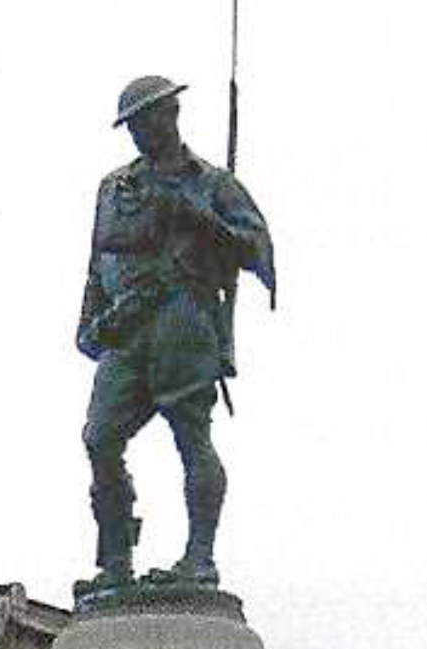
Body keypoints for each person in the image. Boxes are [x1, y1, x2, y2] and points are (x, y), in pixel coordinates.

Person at [76, 76, 275, 592]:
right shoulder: (114, 186)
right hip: (124, 326)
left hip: (181, 319)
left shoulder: (211, 183)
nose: (139, 131)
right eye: (132, 124)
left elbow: (257, 250)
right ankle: (115, 561)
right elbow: (99, 258)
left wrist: (203, 220)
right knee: (100, 438)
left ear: (172, 114)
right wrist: (89, 320)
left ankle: (199, 558)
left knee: (191, 436)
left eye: (147, 118)